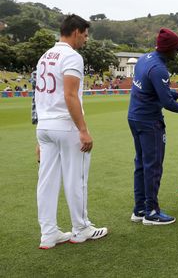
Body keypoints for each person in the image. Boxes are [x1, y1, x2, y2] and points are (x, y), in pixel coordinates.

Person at [35, 14, 107, 249]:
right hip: (65, 125)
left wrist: (39, 131)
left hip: (45, 126)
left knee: (46, 181)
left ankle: (48, 233)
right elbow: (69, 95)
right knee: (77, 178)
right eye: (85, 35)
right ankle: (81, 228)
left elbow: (39, 97)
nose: (85, 40)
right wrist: (83, 130)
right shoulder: (72, 57)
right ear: (76, 32)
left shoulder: (45, 56)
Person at [128, 28, 178, 225]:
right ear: (168, 50)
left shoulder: (144, 58)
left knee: (141, 164)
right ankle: (151, 211)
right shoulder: (159, 68)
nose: (177, 53)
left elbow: (155, 89)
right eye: (176, 49)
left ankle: (139, 208)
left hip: (134, 117)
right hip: (150, 122)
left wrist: (176, 94)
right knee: (153, 166)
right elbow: (166, 103)